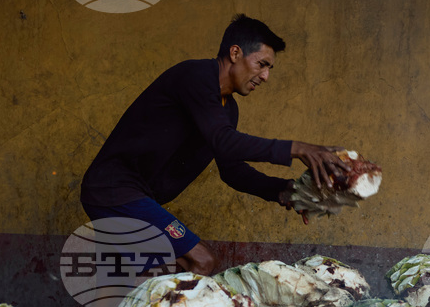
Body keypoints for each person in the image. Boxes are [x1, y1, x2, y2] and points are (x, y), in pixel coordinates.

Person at [80, 14, 349, 275]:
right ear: (235, 53)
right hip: (113, 190)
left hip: (133, 198)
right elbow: (225, 141)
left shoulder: (227, 109)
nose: (265, 76)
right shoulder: (194, 76)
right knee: (201, 261)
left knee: (131, 282)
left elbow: (232, 170)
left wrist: (284, 190)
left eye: (269, 68)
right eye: (261, 64)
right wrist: (299, 148)